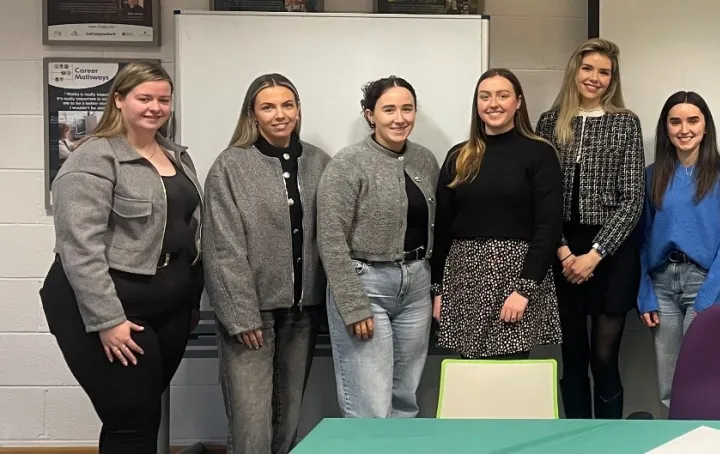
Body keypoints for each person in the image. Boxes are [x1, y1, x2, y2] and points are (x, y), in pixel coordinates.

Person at [38, 61, 203, 453]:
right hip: (108, 309)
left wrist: (190, 299)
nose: (155, 107)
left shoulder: (175, 155)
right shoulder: (95, 157)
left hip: (169, 308)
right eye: (144, 98)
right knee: (131, 421)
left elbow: (187, 231)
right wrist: (107, 320)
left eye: (164, 99)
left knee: (139, 414)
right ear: (119, 100)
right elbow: (79, 247)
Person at [203, 73, 331, 453]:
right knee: (251, 420)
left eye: (287, 105)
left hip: (302, 312)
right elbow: (222, 247)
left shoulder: (320, 163)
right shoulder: (230, 166)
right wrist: (240, 315)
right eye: (268, 106)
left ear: (298, 110)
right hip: (251, 314)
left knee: (289, 415)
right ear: (252, 114)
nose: (280, 114)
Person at [317, 76, 440, 418]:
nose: (400, 118)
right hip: (366, 285)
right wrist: (354, 306)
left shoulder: (425, 160)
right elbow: (330, 238)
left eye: (407, 108)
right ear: (370, 115)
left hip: (415, 287)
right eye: (389, 109)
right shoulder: (348, 163)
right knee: (370, 403)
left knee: (405, 397)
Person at [535, 38, 645, 420]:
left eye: (604, 72)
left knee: (604, 357)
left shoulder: (626, 122)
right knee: (573, 357)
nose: (595, 78)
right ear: (574, 71)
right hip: (562, 250)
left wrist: (595, 254)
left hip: (610, 253)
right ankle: (577, 439)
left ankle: (609, 441)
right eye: (588, 69)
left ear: (612, 79)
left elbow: (633, 200)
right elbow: (542, 199)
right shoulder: (550, 123)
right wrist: (565, 253)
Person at [431, 68, 564, 360]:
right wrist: (438, 291)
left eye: (502, 95)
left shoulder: (539, 154)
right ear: (477, 105)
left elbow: (548, 227)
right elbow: (441, 228)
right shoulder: (459, 156)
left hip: (517, 278)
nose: (493, 103)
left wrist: (525, 290)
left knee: (508, 378)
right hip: (464, 280)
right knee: (471, 381)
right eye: (485, 96)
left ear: (518, 102)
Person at [638, 91, 720, 408]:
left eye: (692, 120)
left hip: (708, 282)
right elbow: (641, 241)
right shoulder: (651, 175)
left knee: (710, 379)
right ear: (666, 128)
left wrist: (711, 297)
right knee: (670, 388)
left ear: (705, 126)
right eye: (675, 121)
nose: (684, 129)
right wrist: (644, 293)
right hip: (662, 287)